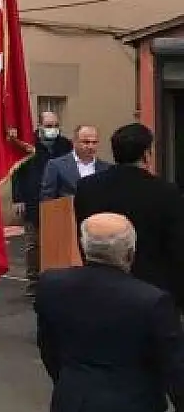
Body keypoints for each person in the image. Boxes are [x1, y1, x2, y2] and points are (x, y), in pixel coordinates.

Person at [35, 213, 184, 412]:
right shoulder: (152, 301)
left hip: (70, 405)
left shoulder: (51, 285)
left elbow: (48, 347)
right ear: (130, 252)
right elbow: (175, 368)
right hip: (132, 411)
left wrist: (70, 379)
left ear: (83, 246)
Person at [74, 123, 184, 310]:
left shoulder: (87, 188)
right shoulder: (165, 192)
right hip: (151, 291)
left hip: (100, 288)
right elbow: (176, 248)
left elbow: (85, 238)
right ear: (146, 154)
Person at [10, 112, 72, 297]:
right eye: (49, 125)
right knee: (33, 244)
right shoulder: (28, 145)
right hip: (33, 200)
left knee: (58, 243)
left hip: (58, 200)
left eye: (56, 125)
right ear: (40, 126)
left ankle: (57, 281)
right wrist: (17, 198)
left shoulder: (65, 145)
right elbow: (17, 172)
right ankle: (34, 282)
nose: (53, 129)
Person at [40, 125, 108, 200]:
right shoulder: (56, 165)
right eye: (86, 142)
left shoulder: (106, 168)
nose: (90, 146)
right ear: (74, 142)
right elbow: (47, 199)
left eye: (94, 142)